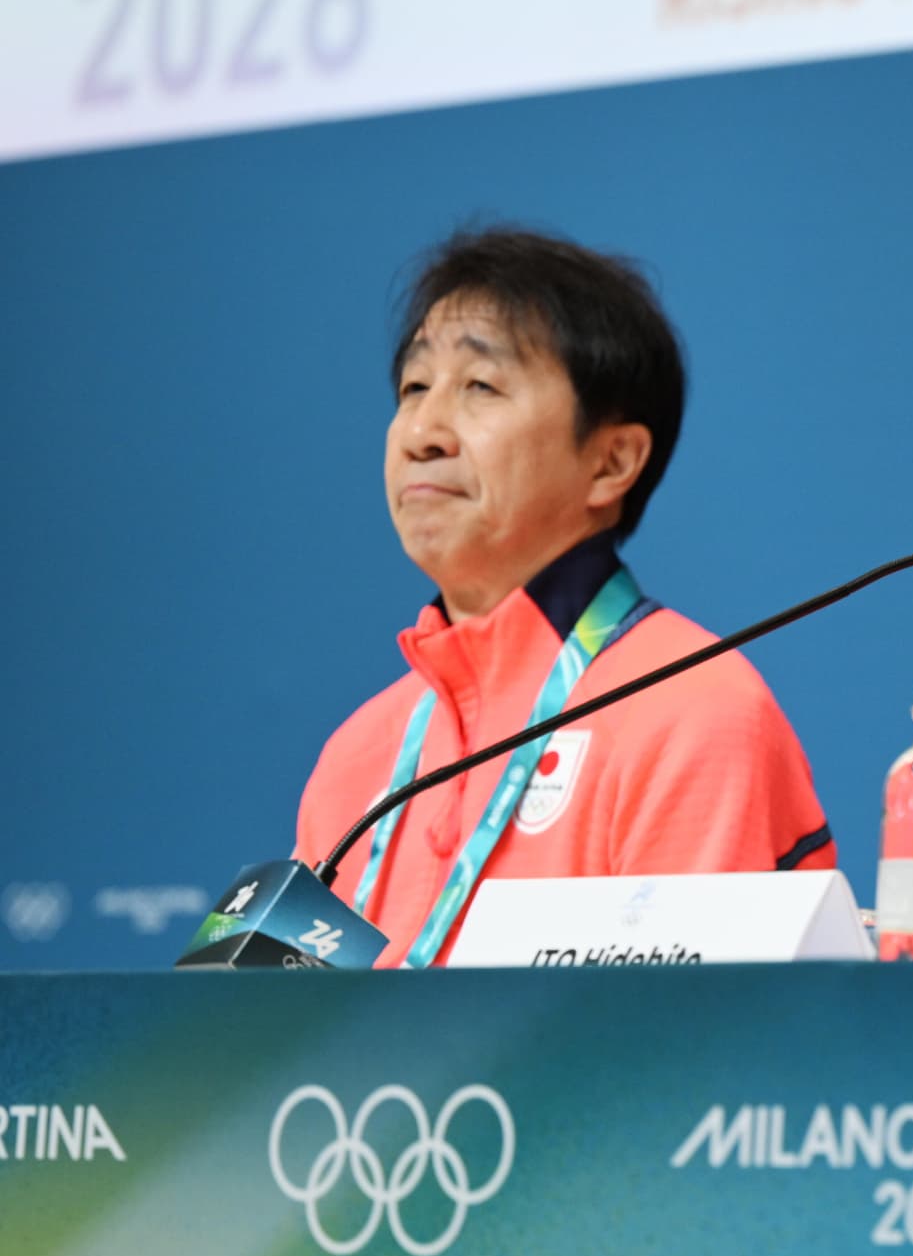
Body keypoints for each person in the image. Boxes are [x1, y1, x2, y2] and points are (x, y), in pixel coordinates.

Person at [295, 229, 834, 968]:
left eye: (479, 387)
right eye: (414, 389)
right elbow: (236, 1048)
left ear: (611, 462)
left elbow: (688, 1056)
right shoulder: (359, 752)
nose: (420, 431)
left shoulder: (693, 708)